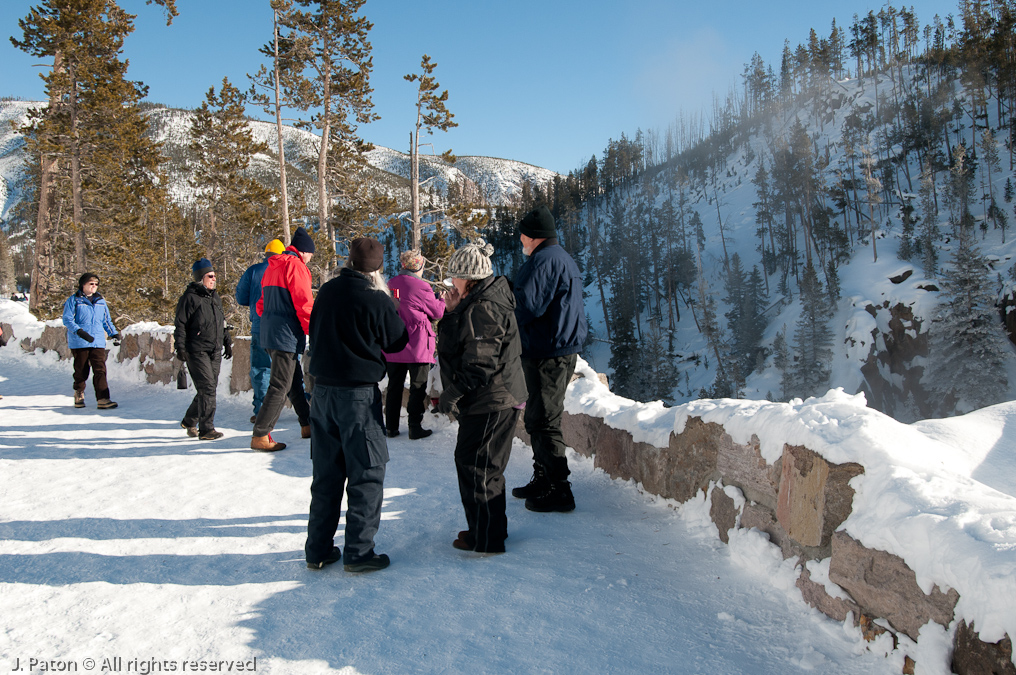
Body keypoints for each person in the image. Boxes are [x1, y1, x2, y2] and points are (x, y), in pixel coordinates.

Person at [305, 237, 408, 573]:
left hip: (321, 393)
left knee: (326, 475)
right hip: (358, 397)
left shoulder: (327, 292)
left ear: (349, 262)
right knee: (366, 472)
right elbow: (397, 341)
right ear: (377, 269)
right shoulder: (376, 299)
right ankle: (359, 552)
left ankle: (318, 549)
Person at [437, 240, 527, 554]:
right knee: (479, 463)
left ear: (469, 279)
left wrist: (453, 392)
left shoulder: (484, 307)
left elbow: (480, 363)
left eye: (454, 278)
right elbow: (460, 348)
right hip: (491, 396)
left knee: (480, 466)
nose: (451, 284)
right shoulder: (478, 300)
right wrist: (449, 315)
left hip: (493, 399)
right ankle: (486, 529)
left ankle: (487, 537)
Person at [511, 205, 588, 513]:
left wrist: (501, 319)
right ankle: (544, 477)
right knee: (538, 418)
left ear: (533, 236)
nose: (519, 239)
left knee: (544, 420)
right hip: (551, 348)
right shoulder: (558, 257)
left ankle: (559, 489)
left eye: (523, 234)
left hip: (548, 351)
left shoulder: (543, 261)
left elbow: (527, 305)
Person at [251, 227, 315, 452]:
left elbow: (260, 304)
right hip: (285, 334)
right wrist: (313, 330)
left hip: (269, 332)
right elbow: (304, 303)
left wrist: (272, 320)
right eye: (310, 254)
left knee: (293, 380)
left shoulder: (273, 267)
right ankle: (260, 434)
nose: (310, 259)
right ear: (304, 251)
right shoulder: (296, 266)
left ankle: (307, 424)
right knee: (280, 384)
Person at [384, 249, 445, 440]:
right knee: (418, 386)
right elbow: (437, 313)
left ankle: (391, 427)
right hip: (417, 344)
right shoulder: (422, 287)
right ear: (420, 266)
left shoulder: (391, 284)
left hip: (394, 344)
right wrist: (441, 299)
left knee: (394, 386)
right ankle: (414, 426)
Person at [174, 258, 232, 440]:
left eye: (215, 276)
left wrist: (226, 340)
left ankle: (190, 420)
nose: (214, 279)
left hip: (214, 350)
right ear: (201, 277)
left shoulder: (214, 297)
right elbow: (180, 324)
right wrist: (180, 347)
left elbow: (220, 321)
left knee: (208, 388)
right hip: (196, 350)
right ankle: (206, 429)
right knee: (207, 388)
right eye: (210, 276)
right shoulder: (190, 298)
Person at [236, 238, 285, 423]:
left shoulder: (253, 271)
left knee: (261, 369)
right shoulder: (284, 269)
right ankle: (302, 409)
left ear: (266, 254)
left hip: (258, 327)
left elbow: (241, 297)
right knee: (288, 369)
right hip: (281, 329)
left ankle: (261, 412)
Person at [62, 273, 120, 409]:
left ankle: (103, 398)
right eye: (91, 283)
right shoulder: (74, 300)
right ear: (83, 285)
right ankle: (79, 393)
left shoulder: (100, 301)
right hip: (80, 341)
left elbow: (106, 320)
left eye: (96, 284)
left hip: (98, 340)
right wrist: (80, 331)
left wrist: (114, 333)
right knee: (81, 370)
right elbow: (67, 319)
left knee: (100, 370)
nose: (94, 286)